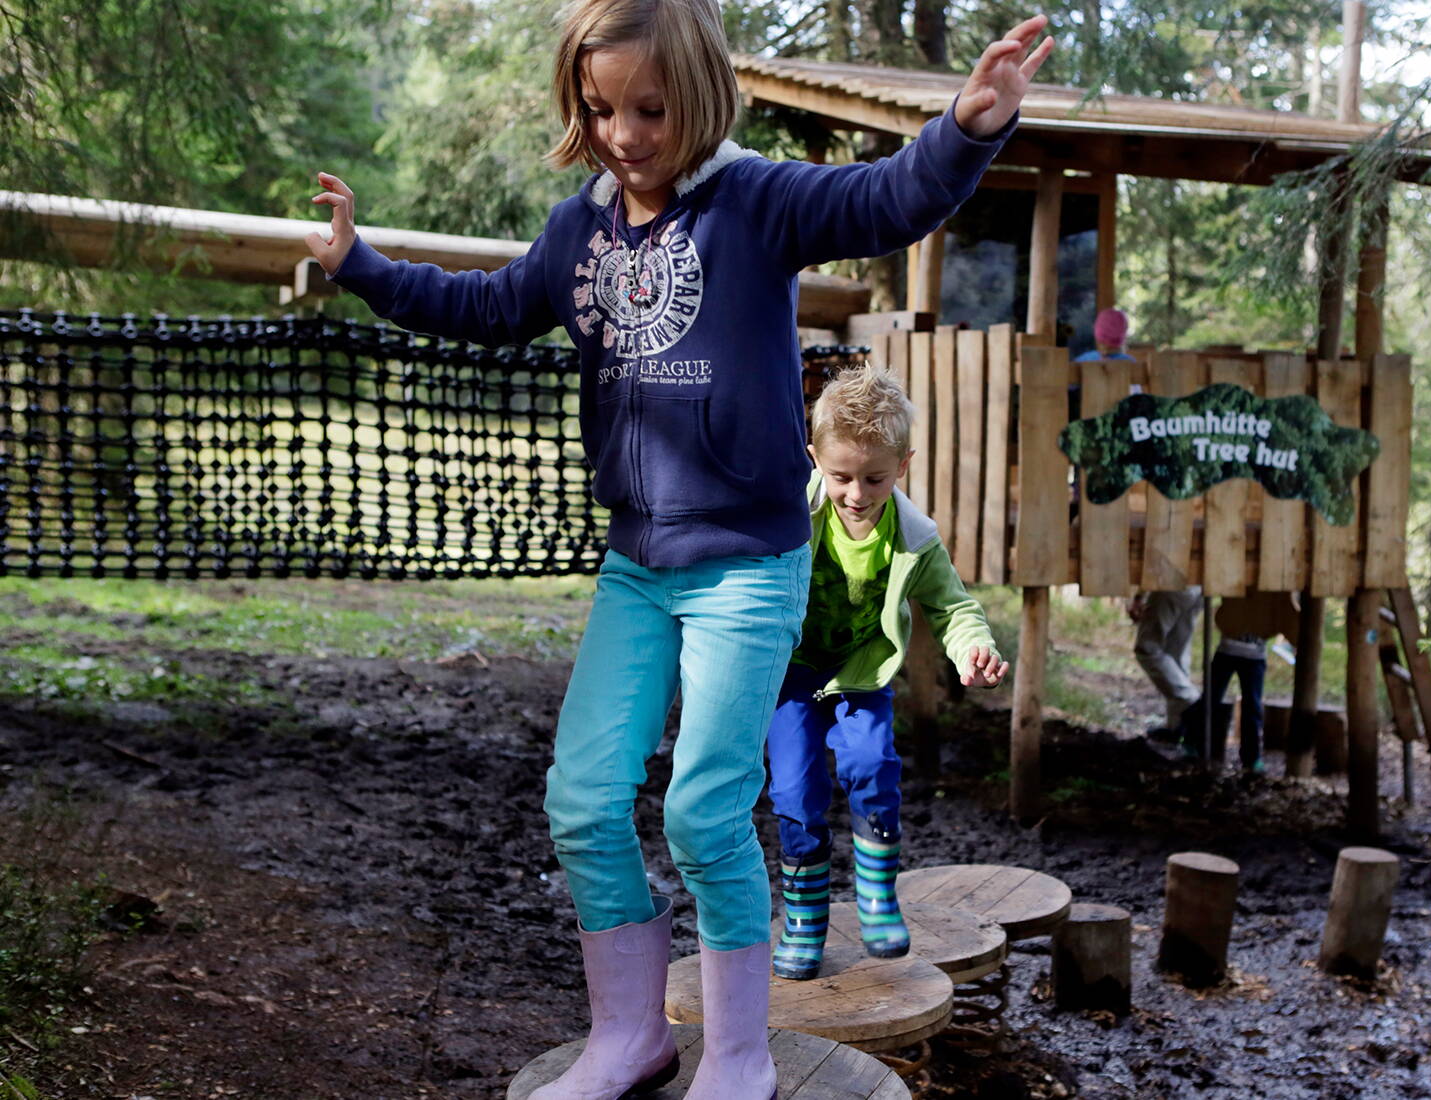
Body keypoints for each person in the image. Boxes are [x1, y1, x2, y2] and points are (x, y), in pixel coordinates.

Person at [303, 3, 1053, 1097]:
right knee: (582, 796)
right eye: (600, 107)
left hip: (749, 559)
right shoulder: (580, 231)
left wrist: (966, 128)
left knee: (705, 805)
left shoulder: (755, 202)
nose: (623, 131)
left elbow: (885, 198)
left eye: (648, 108)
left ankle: (739, 1050)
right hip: (637, 564)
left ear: (696, 94)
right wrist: (359, 262)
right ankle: (628, 1035)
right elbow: (484, 306)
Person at [766, 366, 1007, 982]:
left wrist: (972, 649)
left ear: (903, 466)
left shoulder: (915, 539)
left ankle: (876, 896)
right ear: (813, 457)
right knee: (794, 792)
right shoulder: (792, 516)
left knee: (871, 766)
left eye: (874, 477)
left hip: (860, 672)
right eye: (840, 475)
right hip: (790, 672)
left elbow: (953, 607)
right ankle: (804, 918)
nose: (855, 492)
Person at [1181, 592, 1299, 772]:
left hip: (1254, 657)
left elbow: (1288, 618)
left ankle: (1251, 759)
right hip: (1227, 652)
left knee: (1252, 707)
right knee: (1211, 699)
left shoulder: (1277, 590)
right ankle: (1191, 741)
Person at [1127, 587, 1203, 740]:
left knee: (1147, 648)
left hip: (1171, 585)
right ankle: (1177, 726)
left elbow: (1153, 565)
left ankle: (1189, 699)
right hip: (1198, 588)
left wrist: (1139, 595)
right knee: (1176, 653)